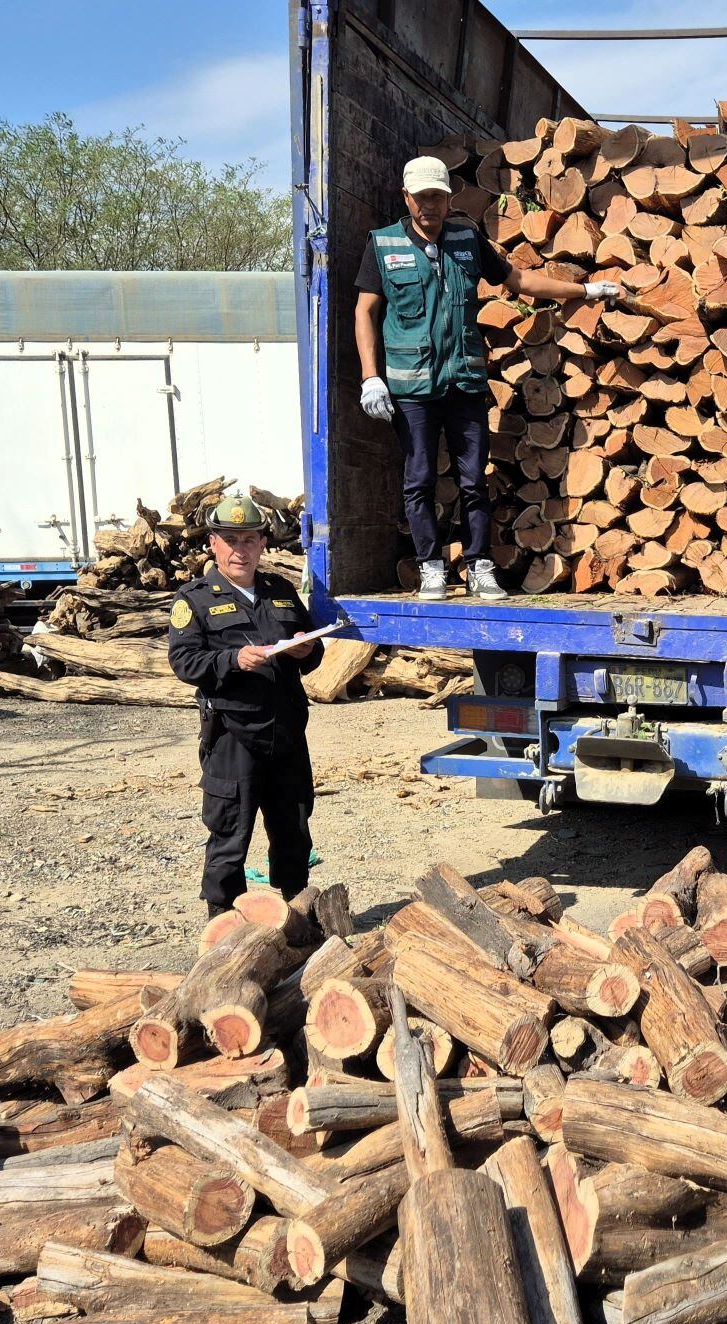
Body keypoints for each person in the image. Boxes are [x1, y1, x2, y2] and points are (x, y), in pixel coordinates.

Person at [354, 156, 621, 603]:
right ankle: (431, 569)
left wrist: (585, 290)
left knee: (474, 479)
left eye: (437, 197)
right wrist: (370, 378)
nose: (430, 206)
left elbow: (520, 281)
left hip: (465, 384)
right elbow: (365, 311)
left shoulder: (466, 239)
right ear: (406, 197)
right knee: (418, 478)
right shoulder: (383, 245)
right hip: (411, 389)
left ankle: (480, 567)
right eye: (421, 198)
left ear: (448, 198)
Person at [167, 495, 323, 915]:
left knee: (293, 831)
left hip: (287, 733)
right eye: (231, 539)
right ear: (214, 544)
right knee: (229, 837)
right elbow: (184, 661)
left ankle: (297, 920)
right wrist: (232, 659)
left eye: (250, 539)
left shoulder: (282, 592)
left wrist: (303, 652)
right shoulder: (195, 598)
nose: (241, 549)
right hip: (232, 737)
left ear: (262, 544)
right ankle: (221, 933)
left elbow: (315, 651)